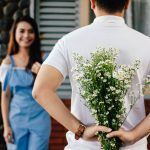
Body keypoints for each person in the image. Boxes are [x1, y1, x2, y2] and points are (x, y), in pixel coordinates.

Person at [32, 0, 150, 149]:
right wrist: (133, 135)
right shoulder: (146, 44)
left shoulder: (68, 42)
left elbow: (41, 90)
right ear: (127, 4)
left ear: (92, 3)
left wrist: (81, 130)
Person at [0, 16, 51, 150]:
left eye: (30, 31)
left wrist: (42, 74)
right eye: (22, 31)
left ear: (35, 34)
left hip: (40, 118)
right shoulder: (8, 63)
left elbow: (51, 90)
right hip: (16, 119)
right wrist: (6, 126)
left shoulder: (44, 59)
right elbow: (5, 97)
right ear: (15, 33)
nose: (26, 35)